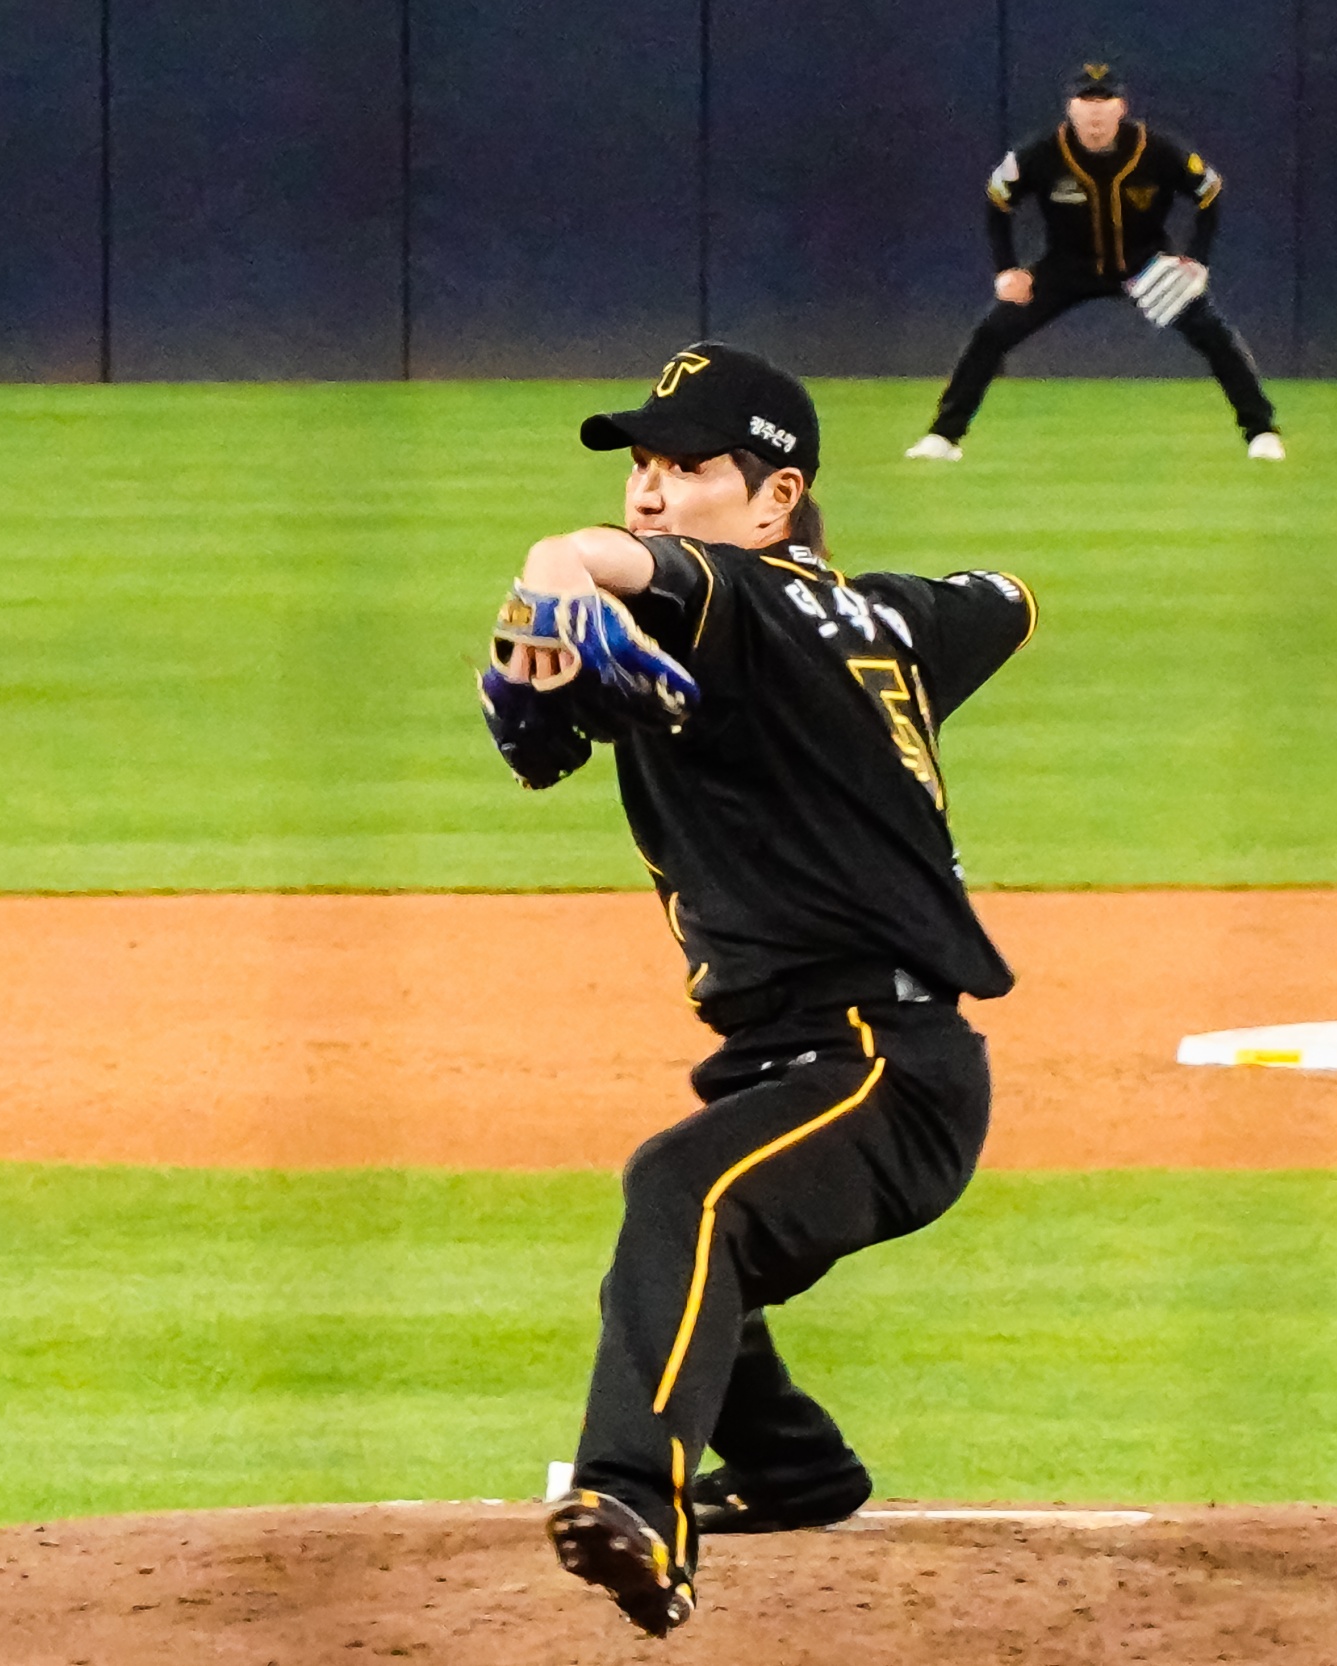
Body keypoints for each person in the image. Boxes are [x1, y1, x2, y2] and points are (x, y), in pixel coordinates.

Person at [477, 341, 1037, 1637]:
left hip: (883, 1065)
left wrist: (560, 561)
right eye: (640, 465)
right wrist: (874, 635)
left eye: (687, 467)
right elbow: (1002, 600)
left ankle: (636, 1502)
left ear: (777, 499)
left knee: (686, 1192)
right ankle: (797, 1468)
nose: (649, 492)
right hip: (818, 1056)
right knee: (677, 1237)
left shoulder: (735, 599)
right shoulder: (876, 620)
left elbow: (632, 568)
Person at [906, 62, 1284, 462]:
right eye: (1086, 100)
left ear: (1122, 107)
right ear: (1070, 107)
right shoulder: (1042, 154)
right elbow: (997, 197)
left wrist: (1198, 260)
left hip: (1144, 264)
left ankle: (1261, 432)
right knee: (992, 333)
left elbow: (1209, 191)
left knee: (1212, 333)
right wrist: (1006, 269)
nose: (1095, 110)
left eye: (1105, 100)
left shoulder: (1155, 150)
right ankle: (943, 437)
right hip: (1068, 266)